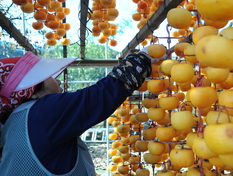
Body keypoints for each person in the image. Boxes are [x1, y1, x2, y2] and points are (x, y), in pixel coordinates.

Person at [0, 47, 164, 175]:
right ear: (32, 90)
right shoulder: (43, 112)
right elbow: (98, 98)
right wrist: (141, 59)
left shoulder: (16, 119)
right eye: (48, 77)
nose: (56, 80)